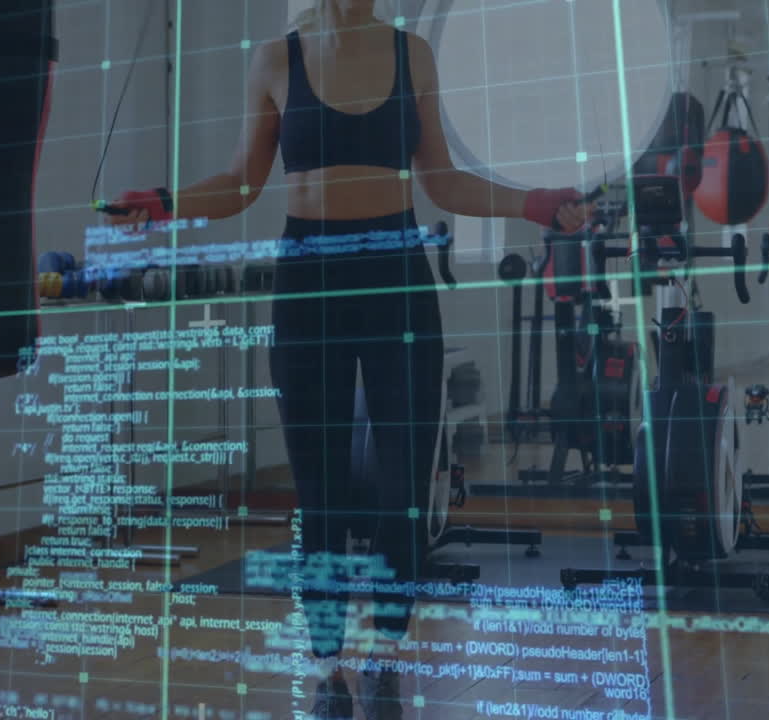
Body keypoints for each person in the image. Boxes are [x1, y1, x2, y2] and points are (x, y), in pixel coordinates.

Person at [106, 1, 588, 717]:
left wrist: (536, 203)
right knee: (321, 491)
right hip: (310, 283)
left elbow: (444, 183)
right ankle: (329, 668)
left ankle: (385, 659)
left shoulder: (411, 56)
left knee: (400, 490)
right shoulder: (274, 59)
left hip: (395, 277)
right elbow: (243, 185)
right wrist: (167, 202)